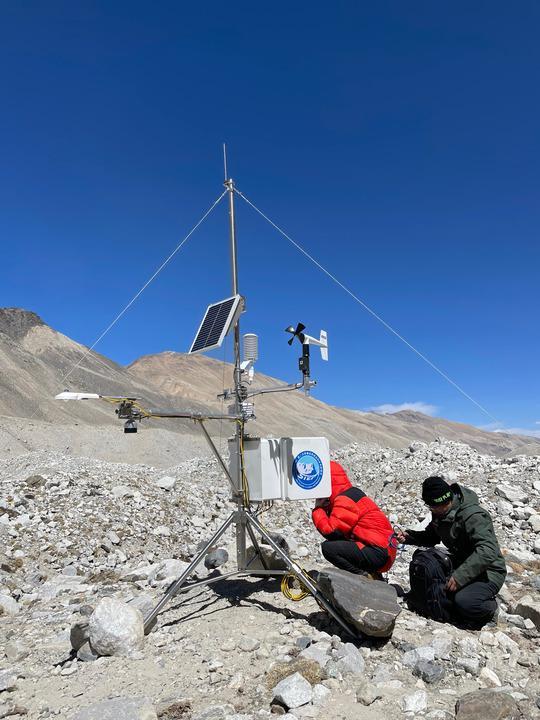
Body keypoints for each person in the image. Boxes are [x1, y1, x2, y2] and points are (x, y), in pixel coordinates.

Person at [395, 476, 507, 628]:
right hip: (462, 562)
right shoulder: (440, 512)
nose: (430, 509)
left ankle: (490, 610)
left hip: (489, 571)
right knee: (430, 578)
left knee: (464, 602)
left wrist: (460, 576)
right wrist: (409, 537)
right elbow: (432, 536)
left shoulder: (473, 516)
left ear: (443, 502)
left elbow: (488, 550)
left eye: (431, 506)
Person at [312, 461, 397, 577]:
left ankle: (362, 576)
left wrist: (318, 509)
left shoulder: (345, 499)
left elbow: (331, 532)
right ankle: (372, 575)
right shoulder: (349, 494)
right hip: (382, 551)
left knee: (328, 548)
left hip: (378, 552)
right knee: (338, 544)